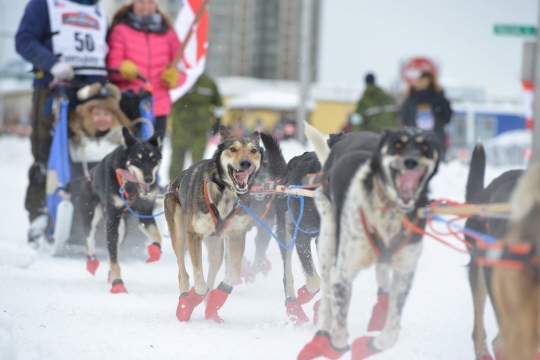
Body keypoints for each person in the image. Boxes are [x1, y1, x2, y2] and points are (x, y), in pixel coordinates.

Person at [15, 0, 109, 244]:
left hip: (91, 96)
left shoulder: (98, 10)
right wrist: (52, 63)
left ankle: (81, 220)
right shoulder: (44, 5)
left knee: (88, 157)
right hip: (53, 92)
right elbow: (24, 40)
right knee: (46, 157)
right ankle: (40, 217)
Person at [107, 0, 183, 136]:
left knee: (154, 153)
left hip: (159, 106)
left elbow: (182, 69)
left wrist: (176, 78)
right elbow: (111, 66)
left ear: (157, 5)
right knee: (130, 152)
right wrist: (122, 70)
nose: (145, 7)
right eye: (141, 2)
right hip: (129, 104)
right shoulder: (120, 31)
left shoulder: (169, 35)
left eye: (150, 2)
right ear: (133, 4)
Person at [69, 83, 132, 178]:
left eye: (107, 114)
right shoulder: (76, 139)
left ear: (114, 117)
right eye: (97, 114)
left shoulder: (123, 142)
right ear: (88, 115)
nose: (102, 119)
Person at [169, 73, 223, 180]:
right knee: (194, 159)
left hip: (186, 126)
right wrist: (217, 121)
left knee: (182, 157)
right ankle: (184, 183)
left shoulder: (180, 80)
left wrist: (217, 123)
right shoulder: (208, 83)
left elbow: (218, 105)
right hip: (191, 127)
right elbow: (219, 105)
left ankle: (179, 183)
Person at [400, 71, 453, 158]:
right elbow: (447, 117)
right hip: (436, 138)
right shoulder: (440, 99)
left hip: (414, 138)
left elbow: (403, 118)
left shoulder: (411, 99)